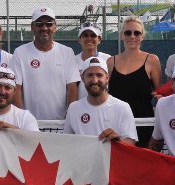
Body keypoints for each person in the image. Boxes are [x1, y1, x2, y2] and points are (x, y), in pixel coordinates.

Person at [11, 7, 80, 120]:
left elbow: (72, 88)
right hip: (30, 124)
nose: (44, 28)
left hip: (60, 124)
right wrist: (21, 119)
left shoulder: (67, 52)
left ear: (55, 27)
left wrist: (69, 118)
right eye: (39, 24)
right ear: (32, 27)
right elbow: (16, 88)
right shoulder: (20, 52)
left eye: (49, 24)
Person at [107, 16, 161, 147]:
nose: (132, 36)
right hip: (116, 128)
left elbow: (159, 95)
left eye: (137, 33)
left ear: (142, 36)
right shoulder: (110, 62)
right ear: (122, 35)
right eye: (128, 32)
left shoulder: (152, 60)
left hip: (144, 127)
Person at [64, 57, 137, 145]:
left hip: (111, 159)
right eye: (90, 75)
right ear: (82, 78)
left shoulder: (122, 107)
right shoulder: (73, 108)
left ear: (107, 78)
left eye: (99, 75)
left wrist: (118, 141)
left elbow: (130, 143)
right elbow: (67, 143)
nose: (95, 81)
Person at [75, 22, 110, 99]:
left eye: (93, 35)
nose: (89, 38)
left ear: (99, 39)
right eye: (85, 35)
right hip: (80, 108)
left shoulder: (108, 60)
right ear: (79, 39)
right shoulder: (72, 61)